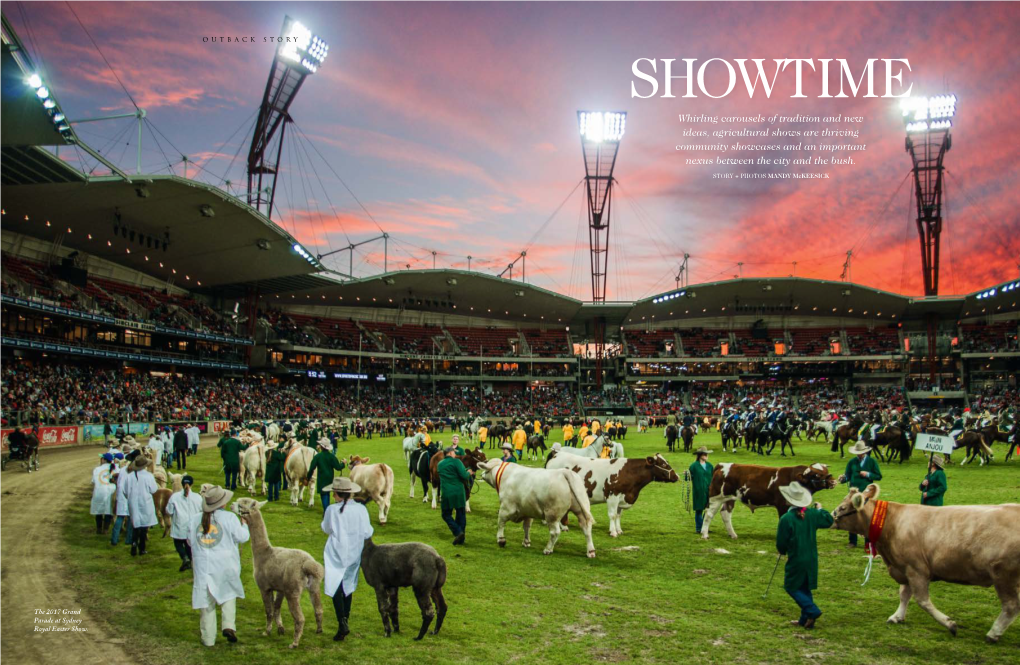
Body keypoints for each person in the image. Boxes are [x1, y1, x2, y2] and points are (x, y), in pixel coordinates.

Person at [188, 486, 249, 647]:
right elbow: (242, 537)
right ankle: (228, 625)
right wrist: (244, 525)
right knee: (228, 594)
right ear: (222, 503)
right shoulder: (229, 518)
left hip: (204, 566)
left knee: (207, 602)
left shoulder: (195, 519)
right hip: (225, 564)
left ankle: (208, 638)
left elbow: (189, 540)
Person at [321, 477, 374, 641]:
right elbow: (368, 532)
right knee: (348, 584)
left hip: (336, 552)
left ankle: (342, 621)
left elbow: (326, 528)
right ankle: (345, 620)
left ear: (336, 494)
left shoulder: (331, 510)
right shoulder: (361, 509)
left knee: (335, 583)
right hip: (354, 551)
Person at [775, 482, 834, 630]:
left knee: (792, 586)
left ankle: (812, 610)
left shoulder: (786, 518)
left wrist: (782, 551)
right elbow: (828, 520)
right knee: (804, 587)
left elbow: (781, 541)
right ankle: (804, 619)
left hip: (796, 557)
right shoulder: (812, 514)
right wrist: (821, 509)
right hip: (811, 557)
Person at [838, 440, 882, 547]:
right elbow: (847, 475)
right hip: (853, 493)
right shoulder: (852, 462)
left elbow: (878, 476)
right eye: (857, 452)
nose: (859, 454)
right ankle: (852, 541)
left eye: (860, 452)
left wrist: (868, 474)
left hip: (866, 494)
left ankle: (868, 541)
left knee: (866, 516)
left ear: (865, 452)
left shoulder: (872, 462)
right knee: (852, 516)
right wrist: (842, 478)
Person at [437, 445, 472, 545]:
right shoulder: (456, 462)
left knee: (446, 514)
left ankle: (458, 534)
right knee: (461, 514)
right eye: (454, 452)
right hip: (458, 492)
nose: (455, 454)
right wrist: (469, 472)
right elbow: (464, 475)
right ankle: (460, 533)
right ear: (450, 453)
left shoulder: (440, 464)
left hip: (447, 492)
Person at [166, 475, 202, 571]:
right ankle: (191, 562)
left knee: (178, 543)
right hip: (193, 526)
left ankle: (185, 558)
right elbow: (202, 511)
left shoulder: (174, 497)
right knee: (188, 544)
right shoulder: (198, 498)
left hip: (179, 525)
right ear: (192, 484)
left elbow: (169, 511)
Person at [127, 455, 159, 556]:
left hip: (133, 502)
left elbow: (125, 490)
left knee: (135, 525)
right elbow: (154, 489)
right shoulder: (148, 476)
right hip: (145, 502)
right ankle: (142, 548)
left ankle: (133, 544)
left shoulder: (130, 476)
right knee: (144, 527)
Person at [308, 438, 345, 512]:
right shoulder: (332, 456)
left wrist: (308, 477)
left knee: (324, 494)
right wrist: (343, 463)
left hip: (321, 478)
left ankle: (326, 511)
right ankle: (328, 510)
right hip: (330, 477)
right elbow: (338, 467)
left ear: (321, 447)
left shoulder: (317, 456)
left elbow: (312, 468)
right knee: (327, 493)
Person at [110, 452, 136, 547]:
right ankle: (128, 539)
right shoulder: (135, 473)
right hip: (130, 496)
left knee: (120, 518)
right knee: (130, 519)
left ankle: (114, 539)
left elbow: (119, 483)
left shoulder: (122, 470)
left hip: (121, 496)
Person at [688, 446, 714, 534]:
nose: (707, 455)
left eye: (707, 454)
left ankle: (705, 527)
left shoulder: (710, 466)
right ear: (700, 455)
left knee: (708, 510)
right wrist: (686, 475)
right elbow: (688, 478)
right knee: (699, 509)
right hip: (698, 491)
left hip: (709, 491)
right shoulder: (693, 466)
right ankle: (699, 528)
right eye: (705, 454)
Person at [90, 453, 117, 534]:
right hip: (111, 492)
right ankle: (106, 529)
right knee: (109, 511)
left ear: (104, 460)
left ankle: (98, 528)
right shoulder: (115, 468)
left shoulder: (97, 469)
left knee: (98, 511)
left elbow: (93, 481)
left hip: (99, 491)